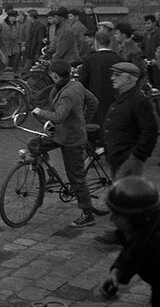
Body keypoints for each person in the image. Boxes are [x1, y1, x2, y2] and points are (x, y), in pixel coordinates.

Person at [29, 59, 99, 228]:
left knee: (76, 177)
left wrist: (40, 112)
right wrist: (83, 119)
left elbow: (59, 116)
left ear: (54, 75)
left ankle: (87, 213)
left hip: (72, 139)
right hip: (59, 134)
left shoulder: (69, 93)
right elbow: (93, 102)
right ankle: (52, 175)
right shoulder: (75, 84)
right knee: (34, 145)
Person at [95, 62, 159, 246]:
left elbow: (150, 130)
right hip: (118, 156)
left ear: (129, 79)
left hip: (128, 158)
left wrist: (137, 156)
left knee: (124, 199)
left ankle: (130, 235)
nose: (112, 78)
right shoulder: (123, 97)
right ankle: (127, 233)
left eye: (117, 75)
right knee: (123, 198)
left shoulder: (138, 101)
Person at [96, 177, 160, 305]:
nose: (111, 219)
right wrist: (117, 271)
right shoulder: (147, 225)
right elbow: (135, 249)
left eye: (116, 214)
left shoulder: (156, 247)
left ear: (133, 218)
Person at [78, 31, 123, 140]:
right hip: (113, 95)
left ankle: (96, 140)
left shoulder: (90, 59)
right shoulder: (118, 58)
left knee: (96, 119)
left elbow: (83, 80)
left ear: (96, 42)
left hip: (95, 93)